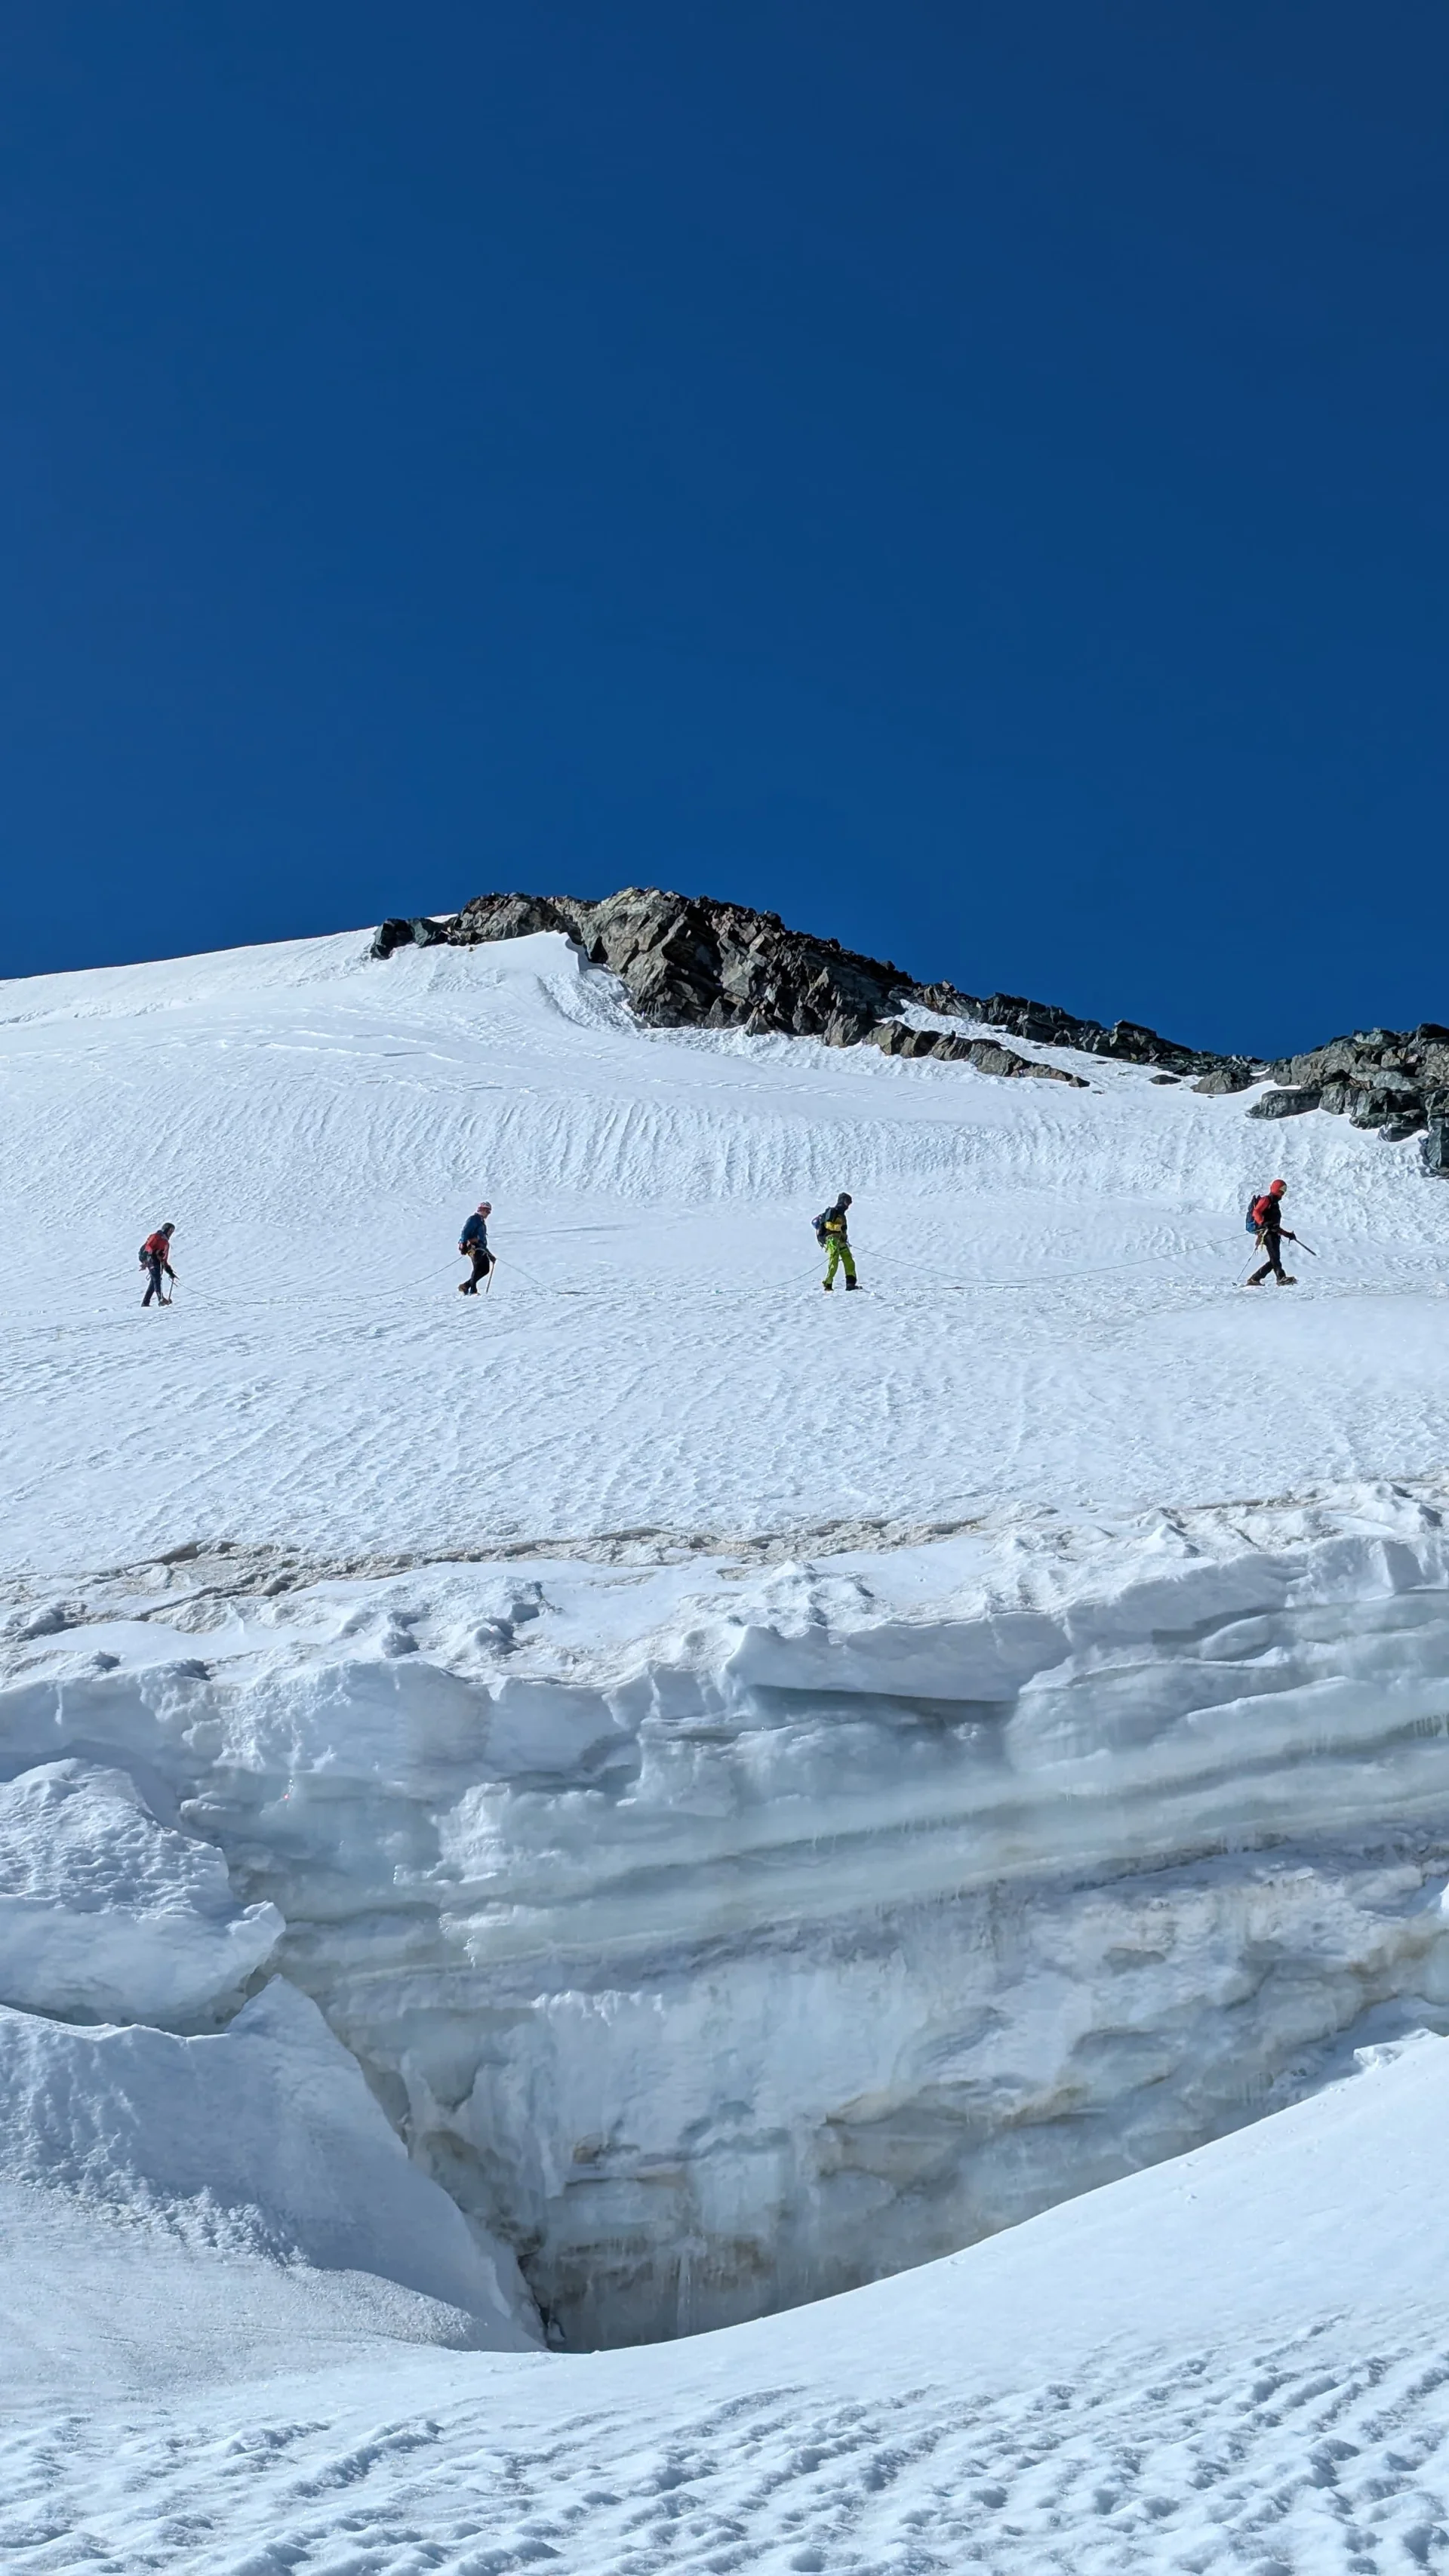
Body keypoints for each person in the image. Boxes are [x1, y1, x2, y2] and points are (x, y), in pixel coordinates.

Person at [1246, 1180, 1297, 1287]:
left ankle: (1255, 1279)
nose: (1283, 1192)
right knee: (1275, 1259)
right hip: (1267, 1234)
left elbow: (1275, 1226)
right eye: (1282, 1189)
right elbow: (1256, 1212)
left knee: (1274, 1260)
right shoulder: (1266, 1200)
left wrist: (1287, 1234)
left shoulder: (1274, 1204)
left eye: (1284, 1190)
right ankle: (1281, 1278)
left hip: (1273, 1233)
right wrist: (1263, 1223)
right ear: (1276, 1188)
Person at [814, 1192, 858, 1291]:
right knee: (834, 1261)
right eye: (847, 1202)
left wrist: (844, 1236)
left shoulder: (843, 1216)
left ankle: (851, 1284)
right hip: (831, 1239)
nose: (848, 1205)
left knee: (849, 1261)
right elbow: (828, 1225)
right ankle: (828, 1284)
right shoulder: (832, 1211)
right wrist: (838, 1228)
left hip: (840, 1240)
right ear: (842, 1201)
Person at [458, 1202, 494, 1294]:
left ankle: (466, 1285)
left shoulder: (481, 1222)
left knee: (485, 1269)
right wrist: (463, 1243)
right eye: (487, 1211)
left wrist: (489, 1254)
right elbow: (465, 1232)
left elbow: (482, 1240)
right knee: (477, 1267)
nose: (488, 1214)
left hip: (481, 1248)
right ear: (481, 1210)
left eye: (489, 1212)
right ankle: (473, 1290)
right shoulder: (474, 1219)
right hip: (473, 1247)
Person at [140, 1223, 177, 1306]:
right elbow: (148, 1247)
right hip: (150, 1258)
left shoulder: (166, 1244)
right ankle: (160, 1298)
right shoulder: (157, 1237)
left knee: (154, 1281)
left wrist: (170, 1272)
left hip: (156, 1260)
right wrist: (146, 1261)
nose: (171, 1233)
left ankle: (145, 1303)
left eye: (172, 1231)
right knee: (157, 1277)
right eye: (170, 1231)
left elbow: (164, 1260)